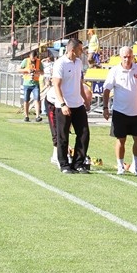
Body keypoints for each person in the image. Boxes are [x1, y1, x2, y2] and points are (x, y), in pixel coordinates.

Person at [102, 46, 137, 176]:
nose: (127, 59)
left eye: (129, 56)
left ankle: (136, 165)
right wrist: (105, 108)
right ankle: (120, 165)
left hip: (136, 112)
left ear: (133, 56)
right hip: (120, 111)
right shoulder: (114, 71)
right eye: (125, 56)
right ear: (120, 57)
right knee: (121, 140)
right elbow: (106, 90)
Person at [53, 39, 91, 174]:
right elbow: (56, 85)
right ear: (72, 50)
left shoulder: (79, 63)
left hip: (77, 104)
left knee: (84, 133)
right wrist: (63, 104)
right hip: (64, 104)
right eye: (80, 49)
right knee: (63, 136)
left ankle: (78, 163)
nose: (82, 52)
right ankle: (64, 164)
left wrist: (85, 100)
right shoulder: (60, 63)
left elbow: (79, 83)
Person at [19, 51, 41, 122]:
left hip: (35, 83)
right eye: (31, 58)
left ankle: (37, 116)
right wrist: (27, 70)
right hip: (27, 83)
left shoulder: (39, 62)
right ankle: (26, 115)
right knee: (26, 100)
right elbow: (19, 70)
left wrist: (37, 71)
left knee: (37, 99)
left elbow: (42, 71)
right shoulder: (25, 61)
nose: (33, 60)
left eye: (34, 58)